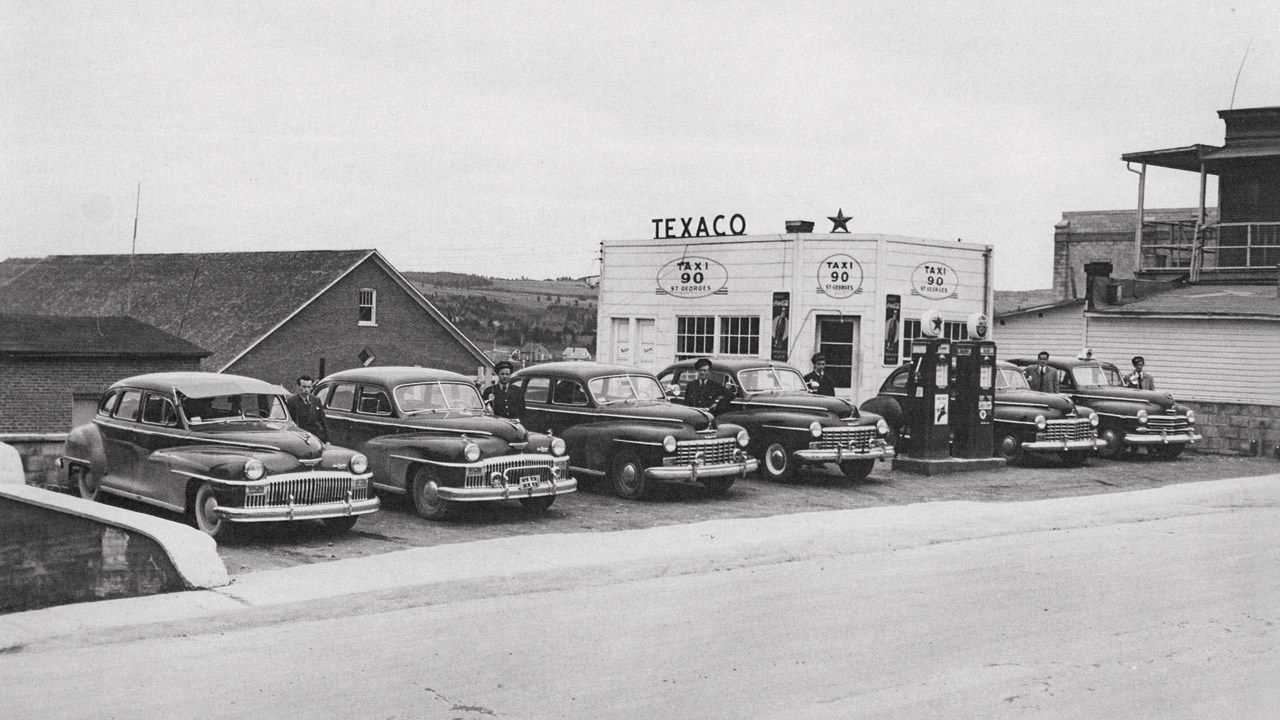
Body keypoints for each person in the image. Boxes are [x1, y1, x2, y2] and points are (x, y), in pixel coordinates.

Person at [286, 375, 329, 443]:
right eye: (304, 387)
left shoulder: (316, 400)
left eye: (309, 387)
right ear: (298, 387)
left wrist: (327, 441)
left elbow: (323, 421)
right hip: (300, 437)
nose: (306, 390)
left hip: (316, 437)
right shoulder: (291, 401)